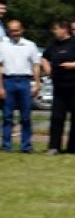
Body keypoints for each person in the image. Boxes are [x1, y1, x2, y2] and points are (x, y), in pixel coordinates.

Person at [42, 19, 75, 155]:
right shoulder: (54, 45)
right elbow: (44, 57)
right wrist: (48, 69)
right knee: (57, 117)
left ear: (64, 29)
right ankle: (54, 147)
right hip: (60, 87)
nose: (54, 31)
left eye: (56, 29)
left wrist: (72, 65)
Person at [0, 19, 43, 153]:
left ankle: (26, 146)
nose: (14, 33)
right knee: (7, 116)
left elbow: (36, 65)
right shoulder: (2, 46)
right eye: (12, 30)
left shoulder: (30, 45)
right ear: (8, 31)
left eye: (17, 30)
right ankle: (6, 146)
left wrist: (37, 84)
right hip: (8, 81)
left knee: (26, 116)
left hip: (24, 81)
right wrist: (0, 87)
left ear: (22, 30)